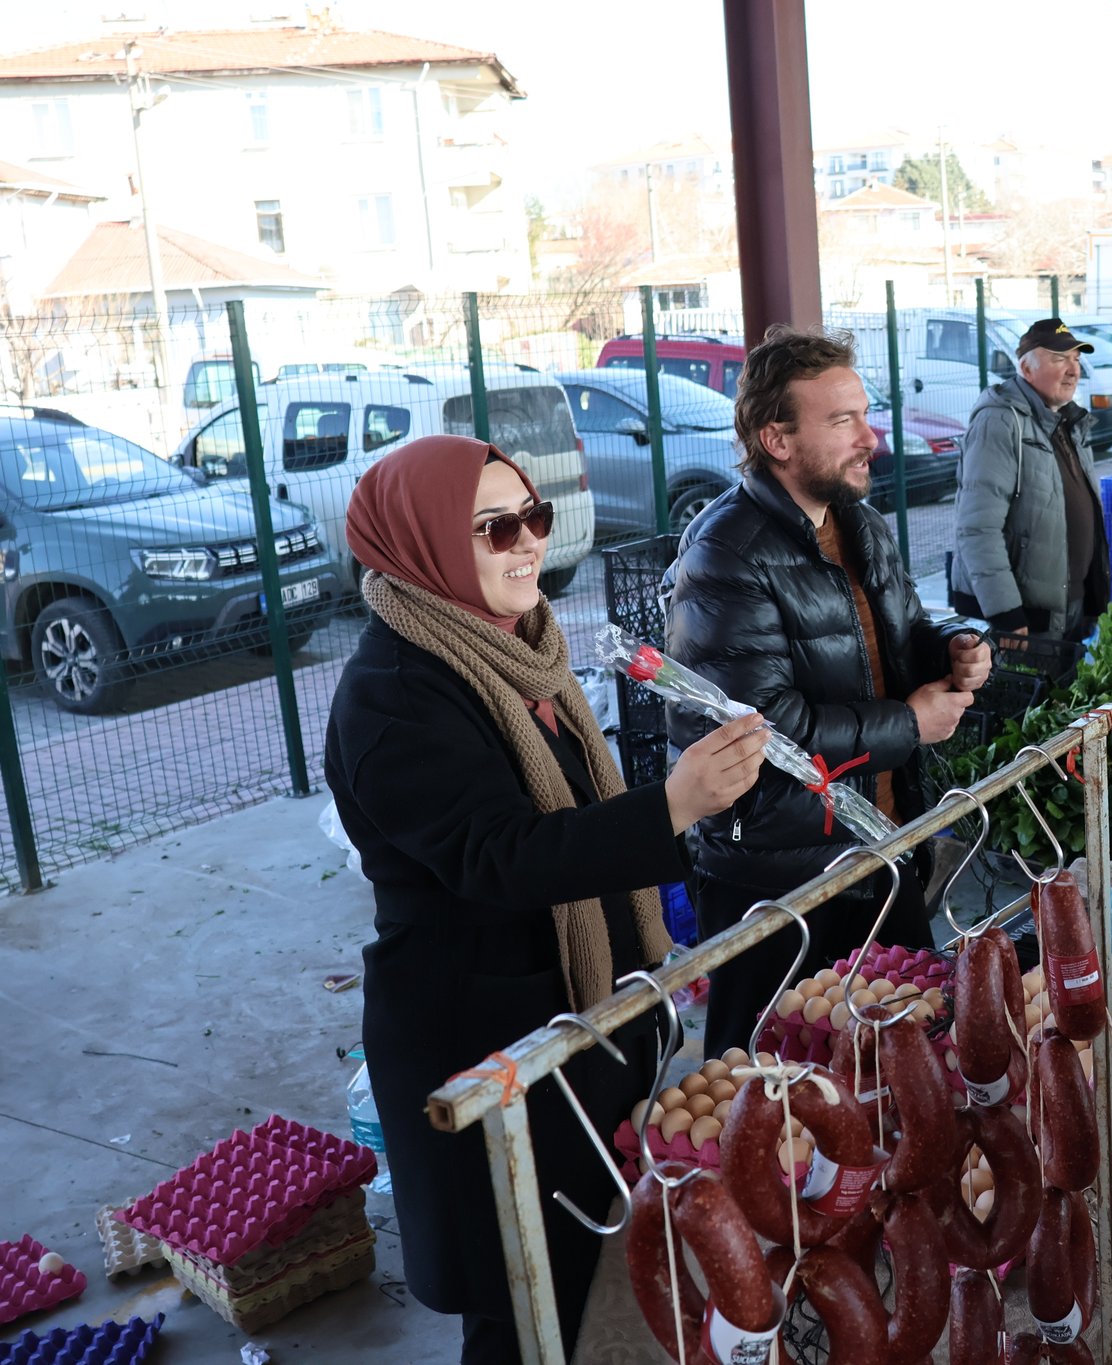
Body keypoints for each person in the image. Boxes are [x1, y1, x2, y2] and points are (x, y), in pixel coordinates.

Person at [325, 436, 771, 1362]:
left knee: (592, 1271)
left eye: (536, 517)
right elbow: (501, 856)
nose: (528, 542)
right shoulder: (393, 693)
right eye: (495, 527)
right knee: (521, 1307)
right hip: (481, 1043)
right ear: (424, 544)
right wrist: (673, 807)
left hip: (580, 1023)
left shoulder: (525, 655)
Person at [671, 326, 990, 1055]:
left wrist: (957, 648)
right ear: (775, 437)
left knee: (902, 1066)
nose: (870, 437)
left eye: (865, 413)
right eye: (842, 420)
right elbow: (765, 732)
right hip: (782, 880)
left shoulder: (860, 524)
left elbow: (904, 633)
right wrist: (910, 723)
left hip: (879, 846)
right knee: (778, 1085)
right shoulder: (724, 554)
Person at [951, 319, 1111, 640]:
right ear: (1026, 368)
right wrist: (1006, 612)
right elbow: (977, 527)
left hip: (1067, 602)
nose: (1073, 370)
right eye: (1059, 359)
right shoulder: (1000, 421)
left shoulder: (1069, 420)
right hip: (1024, 615)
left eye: (1076, 360)